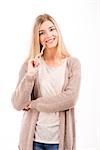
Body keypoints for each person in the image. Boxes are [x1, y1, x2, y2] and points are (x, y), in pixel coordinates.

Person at [11, 13, 81, 150]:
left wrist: (34, 104)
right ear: (37, 38)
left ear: (57, 31)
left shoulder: (73, 64)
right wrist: (30, 75)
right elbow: (18, 103)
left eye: (51, 29)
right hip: (32, 141)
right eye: (41, 33)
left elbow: (70, 99)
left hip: (59, 142)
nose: (48, 35)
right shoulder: (29, 65)